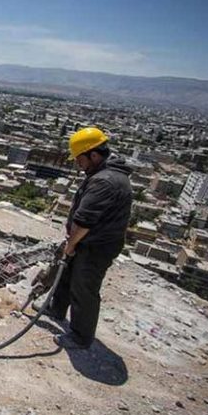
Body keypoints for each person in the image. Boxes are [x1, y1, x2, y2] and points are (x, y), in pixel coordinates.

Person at [42, 127, 132, 349]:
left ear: (93, 154)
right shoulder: (105, 174)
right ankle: (56, 309)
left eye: (79, 159)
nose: (77, 164)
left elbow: (84, 221)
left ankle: (81, 336)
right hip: (89, 241)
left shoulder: (104, 181)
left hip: (96, 246)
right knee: (67, 275)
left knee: (84, 288)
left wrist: (70, 245)